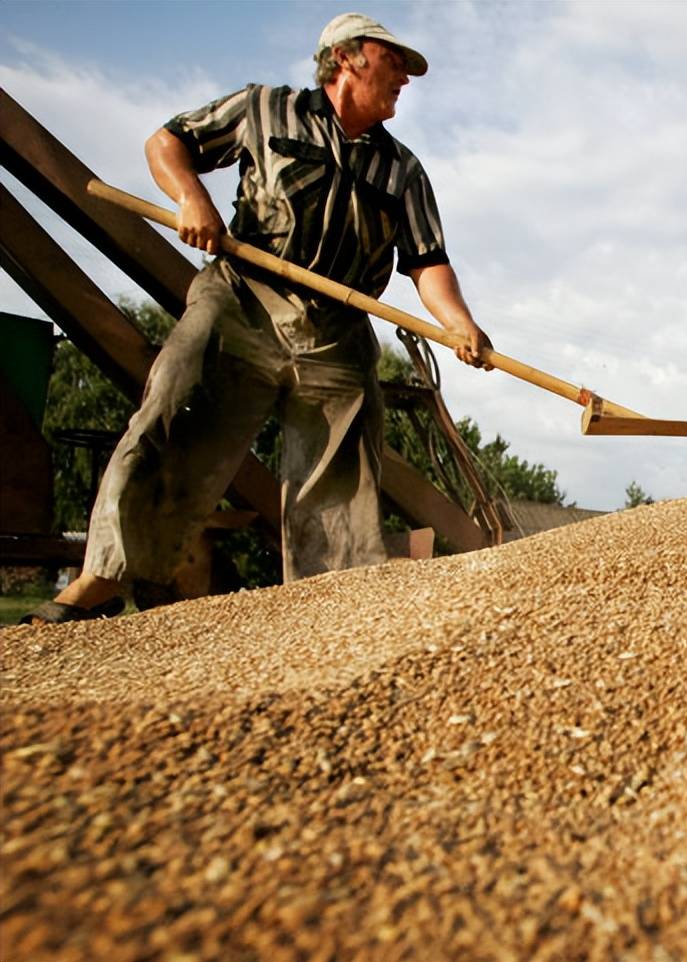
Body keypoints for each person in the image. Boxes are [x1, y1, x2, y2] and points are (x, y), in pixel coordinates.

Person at [23, 12, 491, 624]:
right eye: (394, 60)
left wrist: (459, 323)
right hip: (242, 300)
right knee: (173, 414)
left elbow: (428, 263)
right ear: (347, 58)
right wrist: (193, 198)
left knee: (341, 473)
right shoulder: (264, 109)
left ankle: (329, 605)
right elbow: (166, 143)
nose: (405, 76)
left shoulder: (402, 171)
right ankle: (104, 578)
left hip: (335, 330)